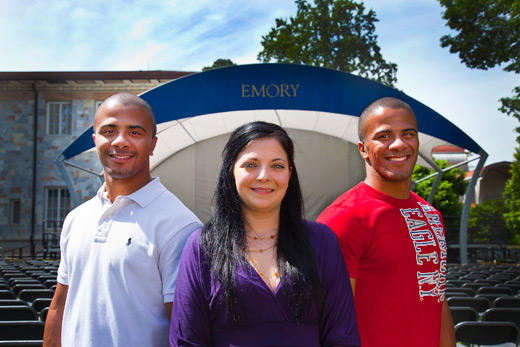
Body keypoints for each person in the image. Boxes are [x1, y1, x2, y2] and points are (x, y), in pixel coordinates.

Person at [170, 121, 360, 347]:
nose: (264, 176)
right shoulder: (202, 247)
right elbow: (187, 341)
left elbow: (343, 338)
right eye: (251, 164)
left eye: (277, 166)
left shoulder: (322, 241)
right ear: (231, 171)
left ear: (290, 174)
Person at [43, 93, 202, 346]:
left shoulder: (181, 226)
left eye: (135, 132)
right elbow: (59, 307)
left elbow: (183, 329)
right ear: (95, 140)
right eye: (109, 130)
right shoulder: (76, 218)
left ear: (153, 144)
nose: (120, 141)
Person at [317, 97, 455, 347]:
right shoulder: (343, 217)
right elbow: (331, 322)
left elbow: (437, 300)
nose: (399, 144)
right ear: (363, 148)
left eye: (408, 133)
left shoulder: (431, 214)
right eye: (384, 136)